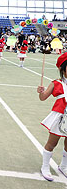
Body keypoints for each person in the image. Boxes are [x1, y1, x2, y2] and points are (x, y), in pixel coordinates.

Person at [37, 52, 67, 181]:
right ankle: (45, 166)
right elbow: (43, 98)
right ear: (62, 69)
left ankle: (64, 166)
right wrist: (41, 91)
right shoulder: (56, 83)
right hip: (59, 118)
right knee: (52, 143)